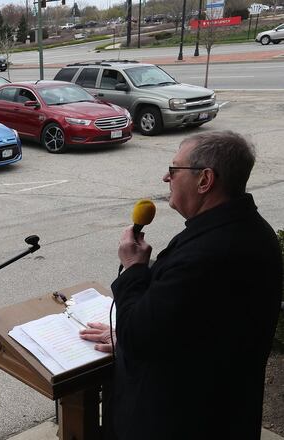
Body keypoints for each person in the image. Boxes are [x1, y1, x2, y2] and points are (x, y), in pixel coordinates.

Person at [81, 131, 282, 440]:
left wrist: (134, 269)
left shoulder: (206, 255)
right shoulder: (254, 231)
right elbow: (192, 323)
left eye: (174, 169)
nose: (166, 177)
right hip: (228, 413)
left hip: (180, 420)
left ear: (205, 180)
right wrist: (142, 323)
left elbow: (139, 338)